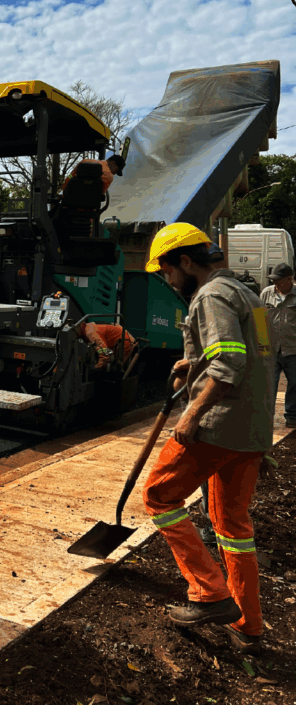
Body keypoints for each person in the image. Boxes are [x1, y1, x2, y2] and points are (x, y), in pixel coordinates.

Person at [141, 223, 274, 655]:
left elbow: (231, 363)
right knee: (233, 526)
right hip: (251, 430)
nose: (166, 280)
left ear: (184, 261)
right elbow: (259, 359)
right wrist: (192, 363)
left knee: (159, 496)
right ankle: (247, 623)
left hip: (218, 424)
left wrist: (194, 413)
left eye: (165, 270)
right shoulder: (252, 299)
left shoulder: (211, 295)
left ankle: (209, 593)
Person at [260, 262, 296, 429]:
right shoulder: (266, 294)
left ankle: (292, 416)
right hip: (270, 350)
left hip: (293, 348)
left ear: (290, 279)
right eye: (273, 280)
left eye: (279, 281)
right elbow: (259, 320)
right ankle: (265, 418)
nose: (276, 284)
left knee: (294, 385)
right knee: (268, 385)